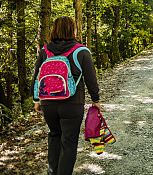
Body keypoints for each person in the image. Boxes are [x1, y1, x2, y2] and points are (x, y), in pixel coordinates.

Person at [31, 16, 101, 175]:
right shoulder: (81, 51)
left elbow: (36, 76)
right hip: (72, 103)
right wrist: (95, 100)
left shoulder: (45, 50)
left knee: (54, 136)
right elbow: (91, 79)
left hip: (48, 102)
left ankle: (52, 172)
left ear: (54, 30)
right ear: (72, 30)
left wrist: (36, 99)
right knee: (68, 143)